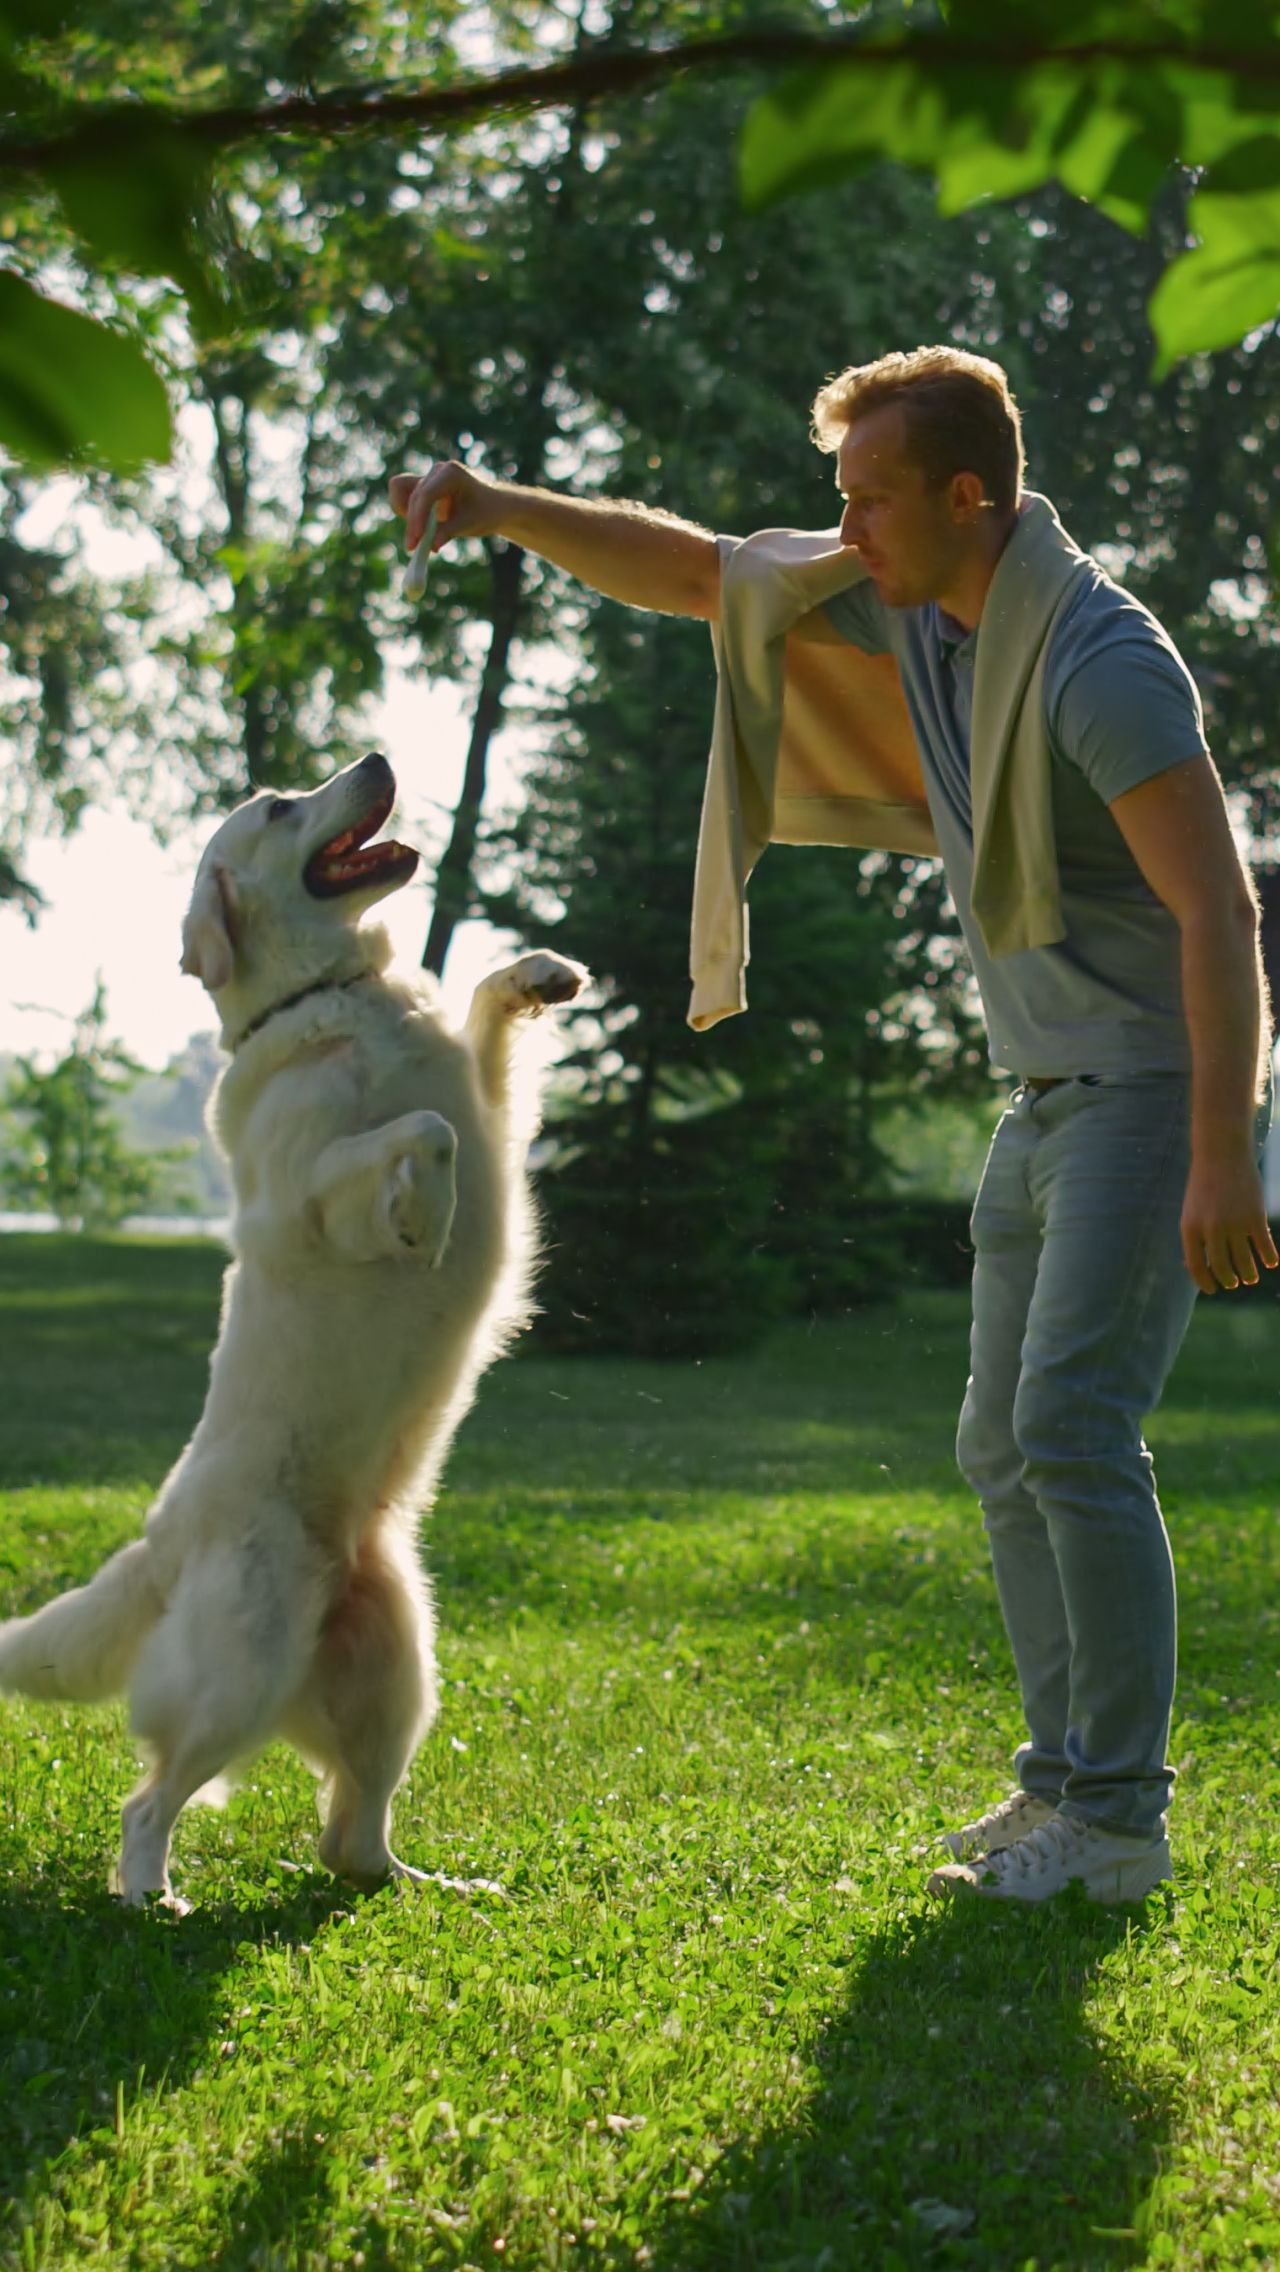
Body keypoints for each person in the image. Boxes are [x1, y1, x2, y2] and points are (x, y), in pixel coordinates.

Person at [389, 345, 1275, 1904]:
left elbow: (1220, 912)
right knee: (1004, 1444)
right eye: (839, 499)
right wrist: (496, 504)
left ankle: (1119, 1822)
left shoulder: (1096, 661)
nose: (843, 526)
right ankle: (1062, 1787)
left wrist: (1223, 1145)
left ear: (966, 495)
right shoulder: (916, 602)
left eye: (868, 499)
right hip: (1045, 1093)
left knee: (1073, 1432)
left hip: (1143, 1096)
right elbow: (701, 574)